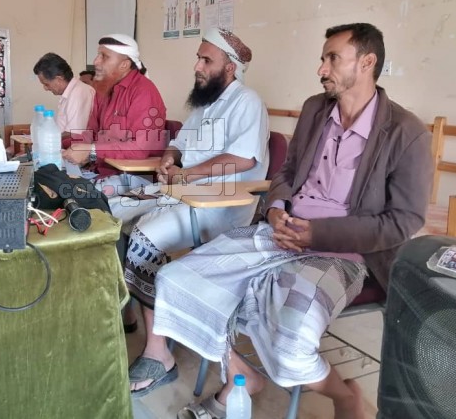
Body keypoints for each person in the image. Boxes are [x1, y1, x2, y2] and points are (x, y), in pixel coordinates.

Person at [151, 23, 433, 419]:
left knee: (291, 337)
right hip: (280, 231)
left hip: (343, 252)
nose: (321, 69)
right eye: (322, 58)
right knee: (176, 280)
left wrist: (317, 233)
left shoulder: (405, 132)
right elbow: (287, 173)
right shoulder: (317, 109)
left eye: (332, 58)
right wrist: (277, 209)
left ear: (367, 62)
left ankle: (344, 396)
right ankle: (242, 375)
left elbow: (403, 221)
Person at [124, 28, 270, 398]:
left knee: (144, 239)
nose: (197, 66)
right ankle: (133, 312)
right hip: (183, 192)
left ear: (230, 67)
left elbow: (243, 159)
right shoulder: (205, 104)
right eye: (198, 58)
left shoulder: (247, 102)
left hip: (220, 205)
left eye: (206, 60)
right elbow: (178, 143)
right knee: (117, 217)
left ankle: (158, 354)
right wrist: (168, 159)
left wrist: (187, 174)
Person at [63, 34, 167, 178]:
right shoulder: (103, 90)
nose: (96, 61)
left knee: (67, 190)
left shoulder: (143, 92)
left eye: (104, 57)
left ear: (124, 65)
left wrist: (91, 151)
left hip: (132, 176)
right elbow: (91, 134)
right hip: (99, 170)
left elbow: (139, 149)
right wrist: (62, 145)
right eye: (98, 55)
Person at [32, 53, 95, 136]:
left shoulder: (78, 93)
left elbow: (74, 134)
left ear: (59, 79)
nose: (45, 88)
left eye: (46, 84)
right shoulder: (70, 92)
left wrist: (47, 139)